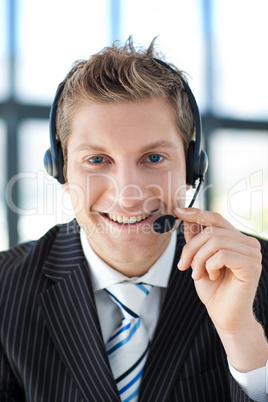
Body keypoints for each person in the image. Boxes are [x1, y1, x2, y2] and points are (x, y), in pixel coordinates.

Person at [1, 37, 268, 402]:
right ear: (60, 170)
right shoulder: (5, 288)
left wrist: (243, 338)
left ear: (192, 167)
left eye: (154, 158)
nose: (128, 193)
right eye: (97, 160)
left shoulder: (258, 273)